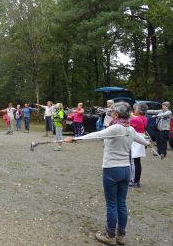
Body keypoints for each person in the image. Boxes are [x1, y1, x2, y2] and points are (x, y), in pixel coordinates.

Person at [64, 102, 150, 246]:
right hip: (125, 171)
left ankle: (110, 235)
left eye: (111, 113)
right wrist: (148, 143)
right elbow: (141, 139)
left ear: (116, 115)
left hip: (112, 169)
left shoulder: (115, 128)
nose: (110, 114)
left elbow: (97, 135)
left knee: (111, 204)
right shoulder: (130, 129)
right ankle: (121, 235)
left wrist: (75, 138)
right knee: (121, 203)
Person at [129, 103, 148, 188]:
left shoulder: (135, 119)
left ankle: (133, 181)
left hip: (136, 141)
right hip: (141, 139)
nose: (134, 110)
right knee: (137, 161)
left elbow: (130, 120)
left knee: (133, 161)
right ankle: (137, 181)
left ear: (140, 110)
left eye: (136, 109)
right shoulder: (144, 118)